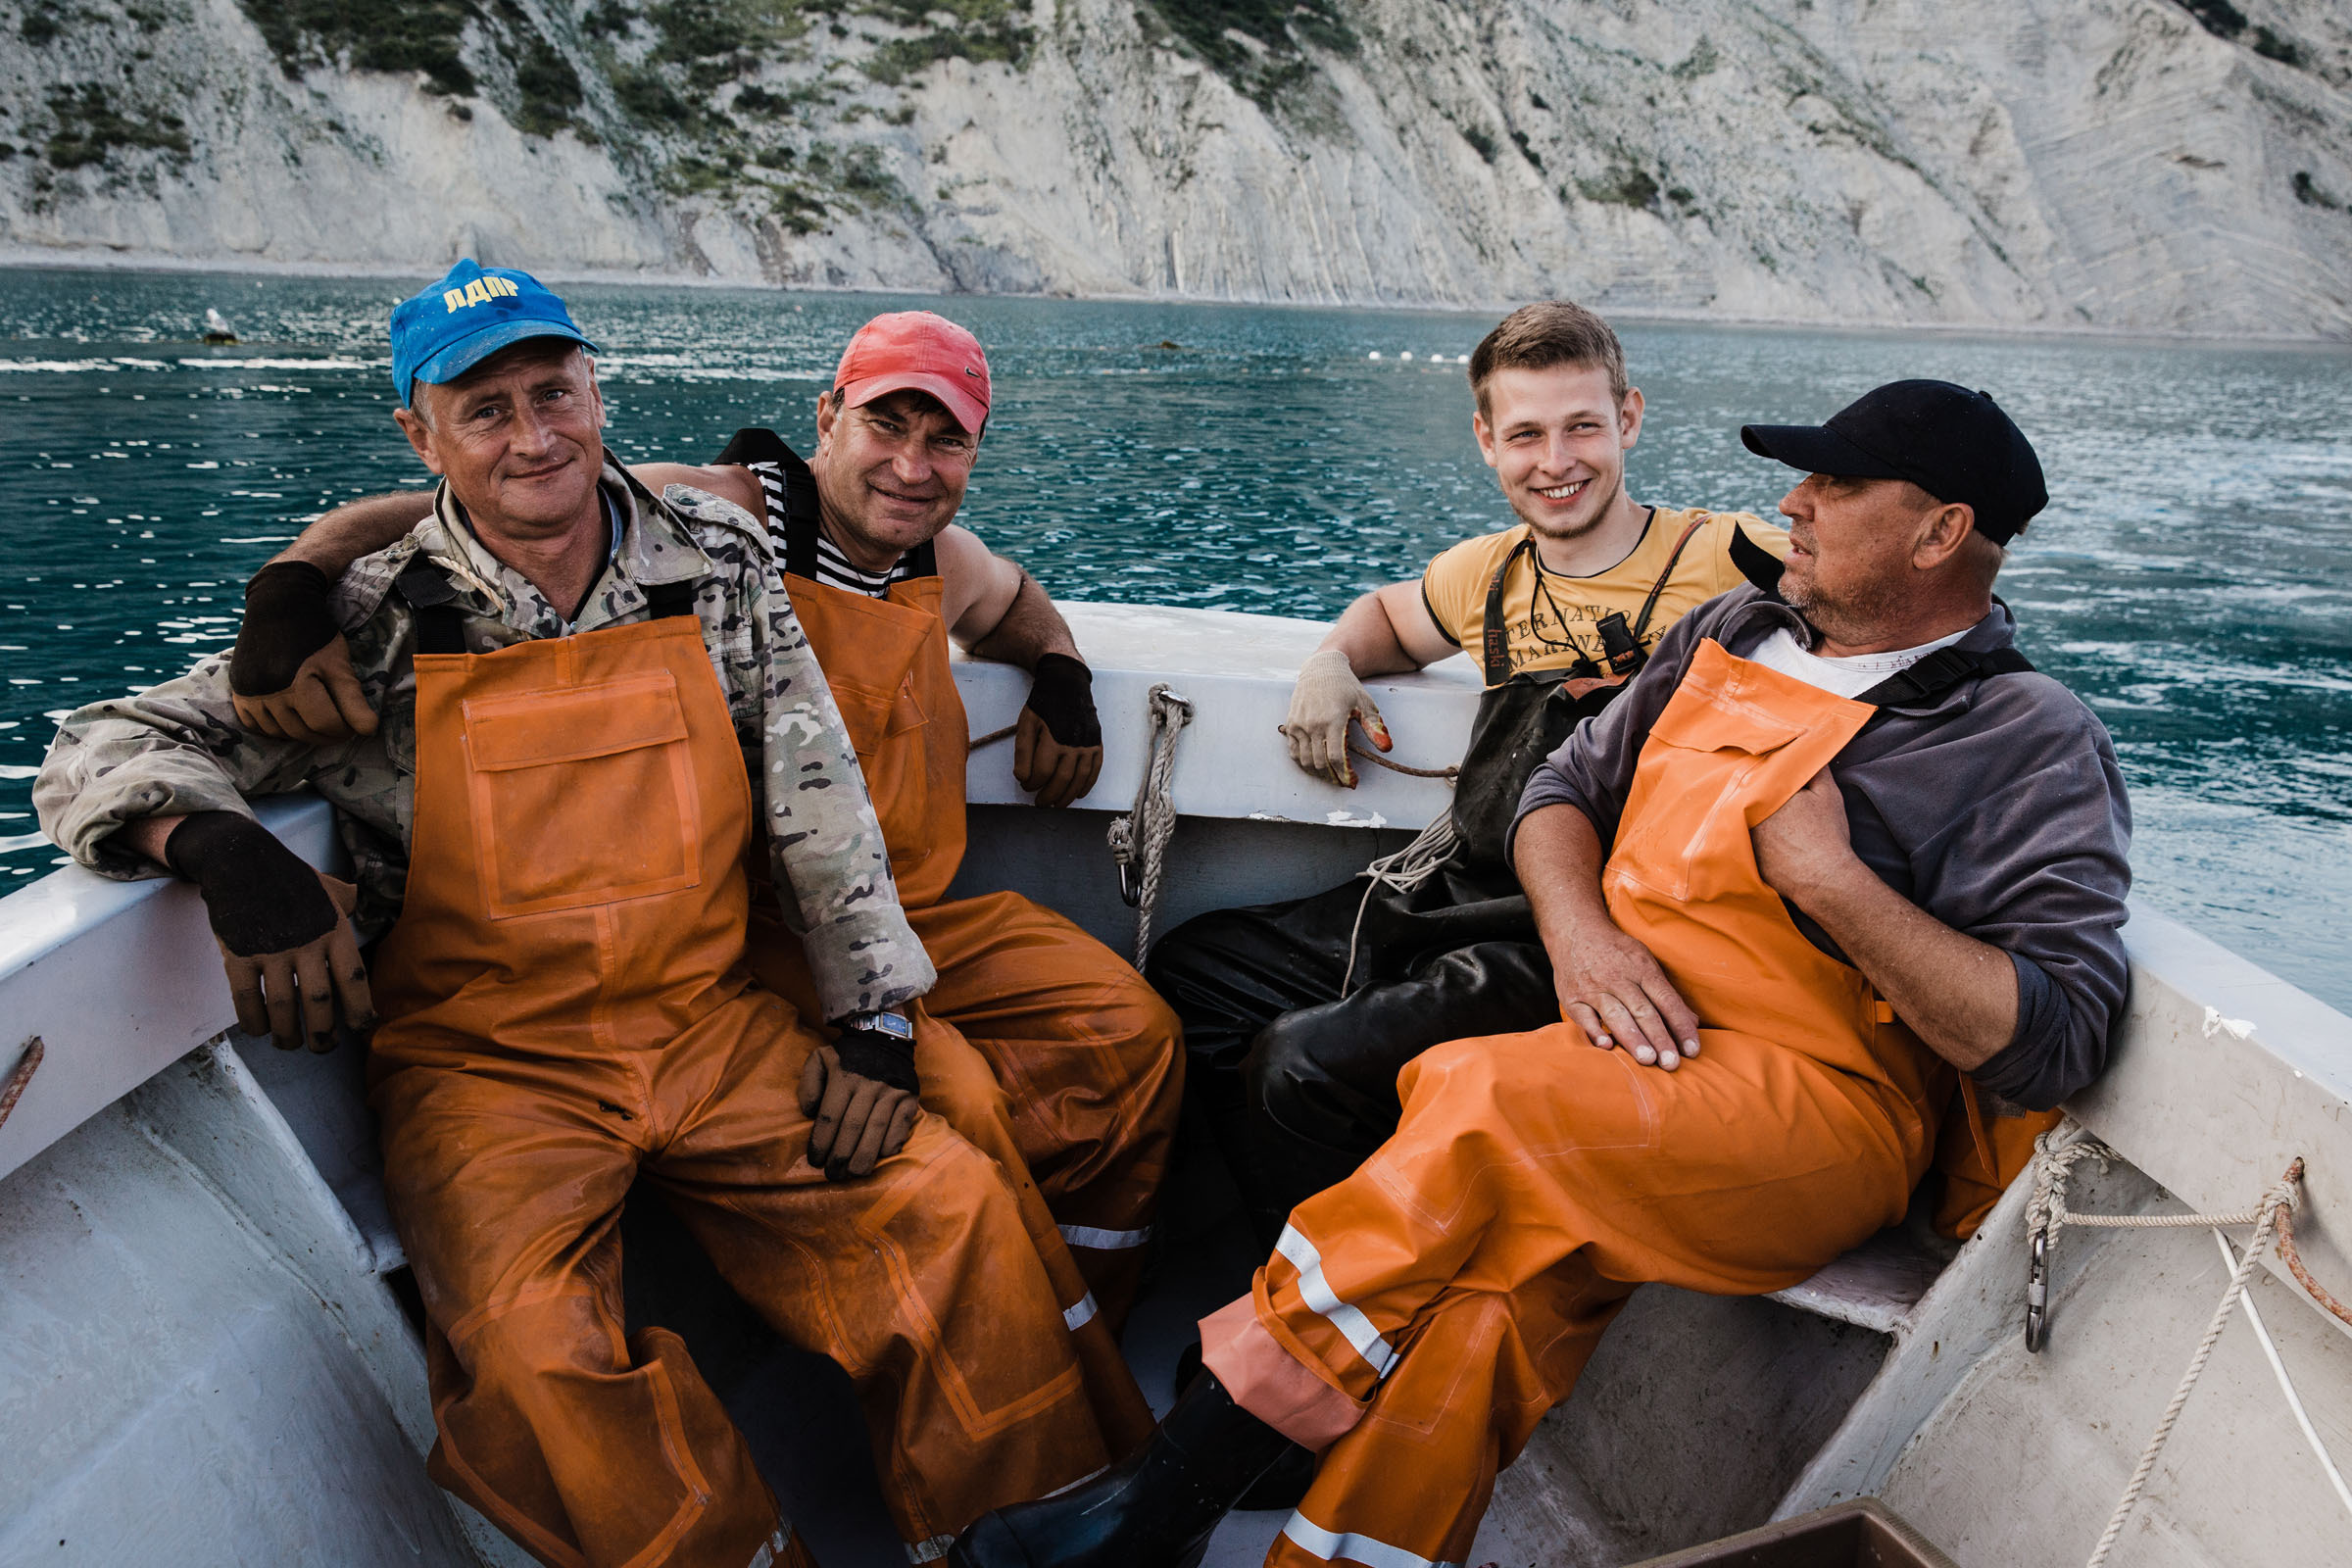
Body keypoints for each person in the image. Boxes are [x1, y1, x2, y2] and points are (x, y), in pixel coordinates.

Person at [35, 262, 1134, 1568]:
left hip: (707, 1022)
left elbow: (812, 787)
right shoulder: (373, 613)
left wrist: (877, 1019)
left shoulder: (712, 559)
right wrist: (214, 845)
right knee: (534, 1356)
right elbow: (106, 739)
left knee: (946, 1206)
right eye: (485, 409)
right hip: (486, 1064)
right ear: (420, 435)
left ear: (596, 391)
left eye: (554, 392)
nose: (535, 436)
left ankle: (1035, 1543)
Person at [947, 380, 2133, 1568]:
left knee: (1474, 1094)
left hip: (1815, 1111)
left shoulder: (2027, 740)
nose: (1795, 505)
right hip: (1625, 1047)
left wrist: (1832, 882)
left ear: (1939, 533)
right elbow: (1561, 794)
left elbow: (2062, 1033)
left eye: (1836, 484)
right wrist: (1582, 935)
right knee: (1483, 1317)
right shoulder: (1737, 631)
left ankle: (1156, 1508)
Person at [226, 310, 1184, 1327]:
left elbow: (1017, 602)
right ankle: (1027, 1326)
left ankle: (1088, 1314)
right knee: (962, 1103)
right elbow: (498, 494)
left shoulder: (944, 554)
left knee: (1133, 1031)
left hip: (911, 907)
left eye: (944, 438)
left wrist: (1064, 671)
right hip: (757, 921)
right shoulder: (726, 515)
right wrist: (287, 585)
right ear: (828, 417)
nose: (911, 465)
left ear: (975, 451)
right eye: (884, 428)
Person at [1145, 300, 1790, 1246]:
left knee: (1299, 1061)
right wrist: (1331, 662)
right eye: (1525, 433)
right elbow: (1387, 618)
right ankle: (1305, 1243)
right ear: (1486, 440)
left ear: (1631, 419)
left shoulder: (1725, 558)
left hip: (1597, 921)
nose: (1556, 462)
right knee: (1196, 976)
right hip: (1462, 888)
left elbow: (1884, 618)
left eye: (1583, 426)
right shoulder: (1485, 575)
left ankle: (1333, 1301)